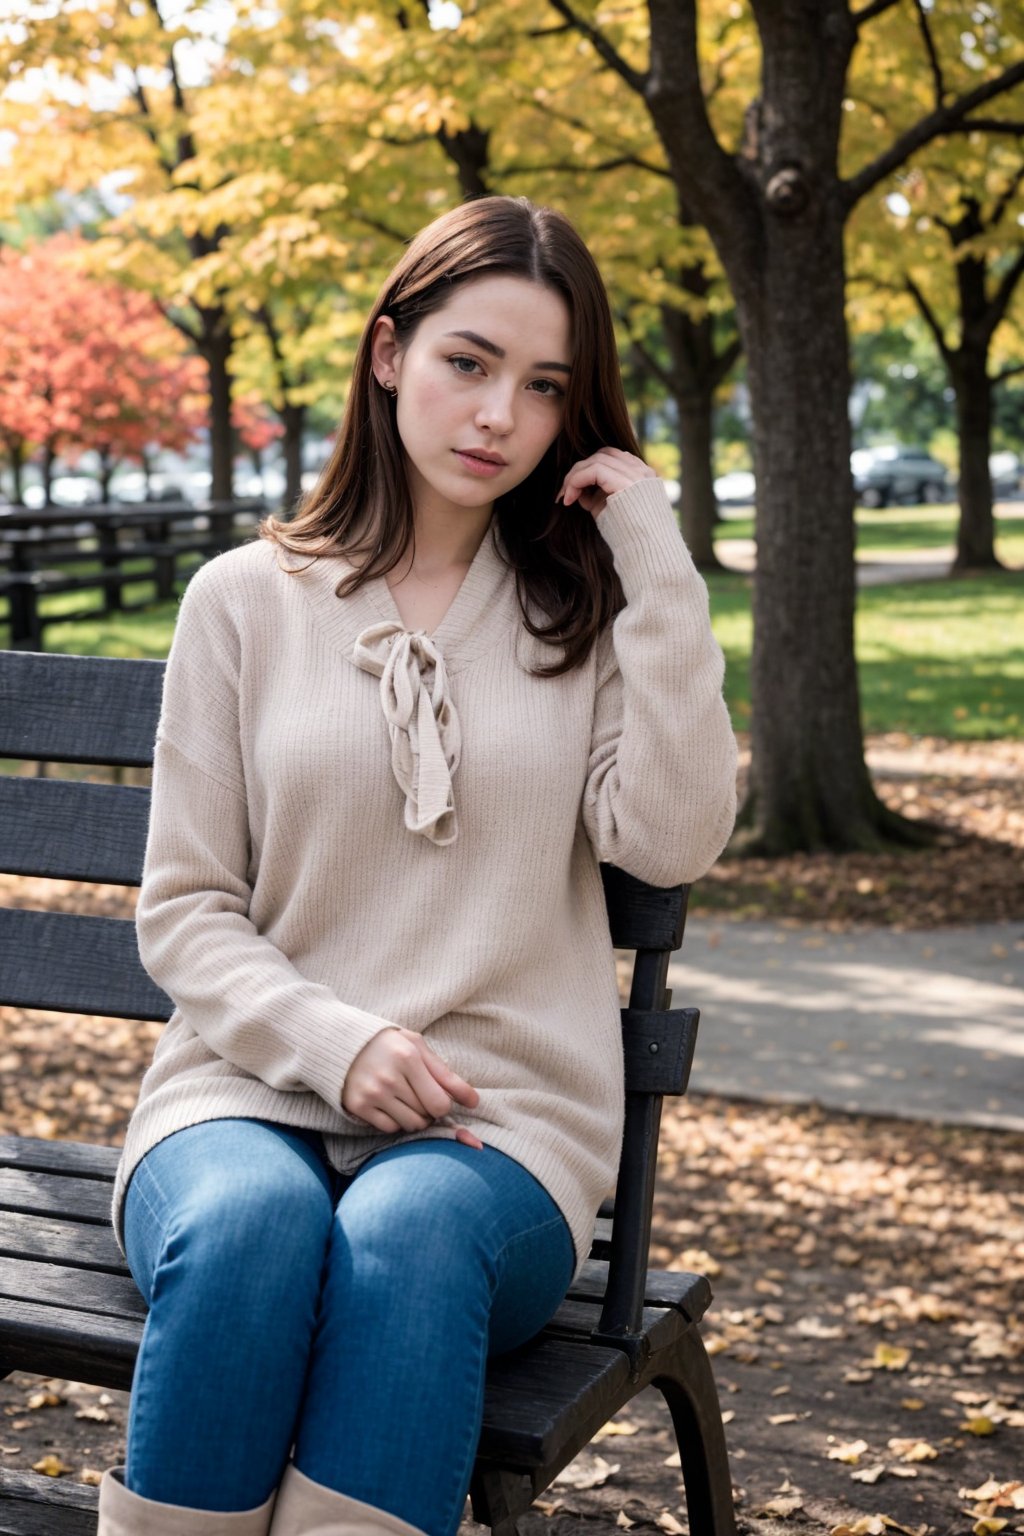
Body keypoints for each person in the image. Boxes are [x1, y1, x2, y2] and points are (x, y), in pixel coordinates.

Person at [98, 194, 738, 1536]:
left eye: (544, 386)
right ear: (390, 354)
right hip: (240, 1093)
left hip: (498, 1129)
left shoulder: (583, 618)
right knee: (253, 1235)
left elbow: (671, 841)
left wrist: (657, 567)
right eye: (468, 361)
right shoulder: (241, 602)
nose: (499, 412)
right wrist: (333, 1044)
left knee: (408, 1239)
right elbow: (188, 909)